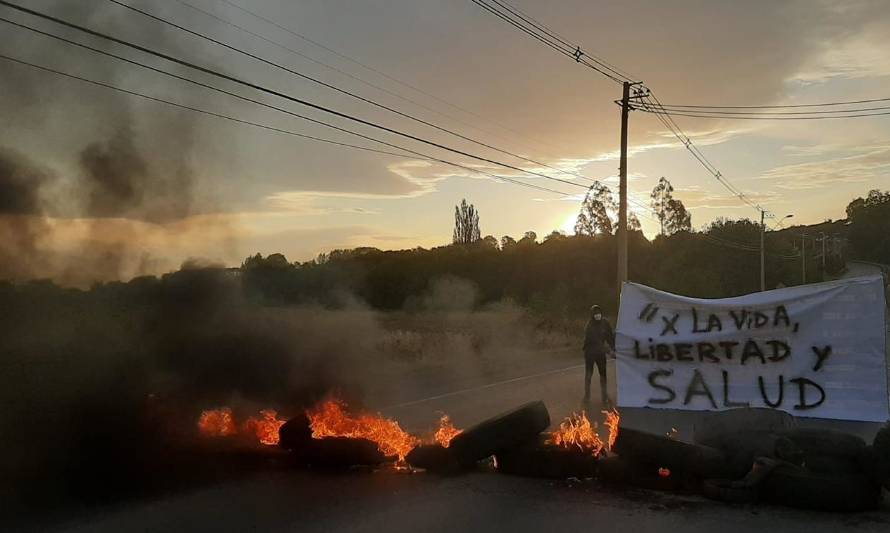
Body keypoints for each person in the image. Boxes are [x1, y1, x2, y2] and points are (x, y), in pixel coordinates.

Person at [582, 304, 615, 405]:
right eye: (595, 313)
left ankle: (604, 396)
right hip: (590, 353)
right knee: (589, 375)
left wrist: (614, 348)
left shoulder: (605, 323)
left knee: (603, 375)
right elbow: (596, 342)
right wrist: (609, 351)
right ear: (592, 315)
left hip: (600, 354)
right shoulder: (589, 326)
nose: (598, 315)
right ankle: (587, 397)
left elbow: (610, 336)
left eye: (599, 313)